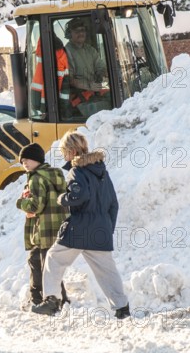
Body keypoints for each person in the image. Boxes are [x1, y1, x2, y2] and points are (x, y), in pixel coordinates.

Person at [31, 131, 130, 319]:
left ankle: (51, 301)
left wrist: (63, 199)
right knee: (107, 271)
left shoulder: (76, 171)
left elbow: (80, 195)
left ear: (72, 151)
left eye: (64, 152)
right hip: (100, 230)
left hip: (79, 228)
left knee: (54, 258)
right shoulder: (102, 171)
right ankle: (122, 308)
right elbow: (113, 204)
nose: (63, 156)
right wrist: (108, 228)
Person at [16, 143, 69, 311]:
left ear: (37, 159)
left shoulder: (36, 178)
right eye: (22, 160)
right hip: (58, 227)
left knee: (38, 263)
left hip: (44, 230)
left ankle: (39, 299)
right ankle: (61, 299)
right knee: (49, 264)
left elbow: (35, 206)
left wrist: (21, 202)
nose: (24, 162)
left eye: (27, 159)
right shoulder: (55, 175)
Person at [64, 18, 110, 115]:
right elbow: (69, 80)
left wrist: (103, 74)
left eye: (82, 30)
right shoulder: (67, 52)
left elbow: (101, 66)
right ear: (69, 34)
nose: (81, 33)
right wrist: (89, 85)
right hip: (78, 96)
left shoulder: (90, 50)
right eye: (77, 31)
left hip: (93, 92)